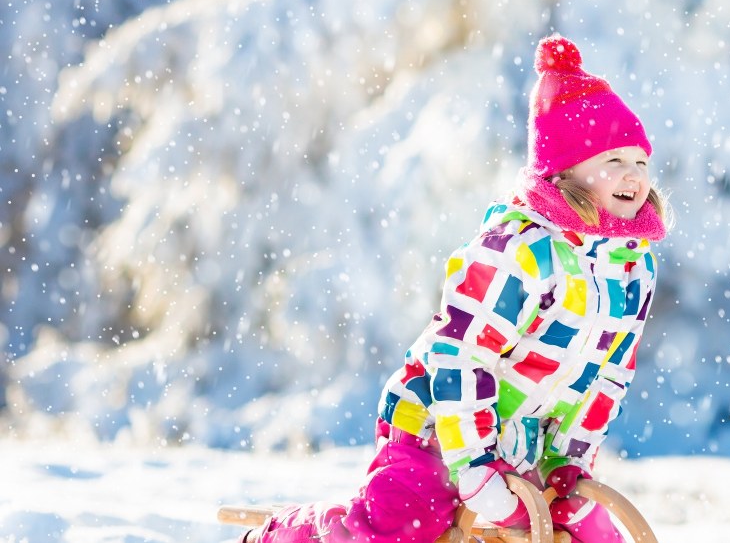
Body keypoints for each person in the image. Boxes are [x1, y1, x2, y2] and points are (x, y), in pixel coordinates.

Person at [240, 35, 669, 543]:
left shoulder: (632, 269)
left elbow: (605, 378)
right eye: (613, 161)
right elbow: (461, 356)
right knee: (402, 523)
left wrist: (567, 463)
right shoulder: (521, 250)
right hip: (436, 427)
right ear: (567, 171)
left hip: (517, 446)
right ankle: (287, 537)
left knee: (589, 533)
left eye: (640, 162)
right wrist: (473, 464)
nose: (633, 176)